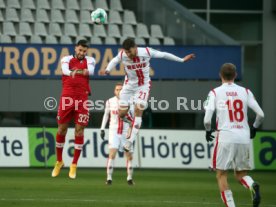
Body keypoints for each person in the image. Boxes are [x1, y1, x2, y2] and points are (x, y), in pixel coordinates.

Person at [100, 38, 195, 151]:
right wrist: (107, 69)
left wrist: (182, 60)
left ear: (135, 47)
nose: (128, 54)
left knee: (138, 110)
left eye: (129, 51)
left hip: (143, 86)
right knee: (121, 114)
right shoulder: (122, 54)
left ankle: (130, 141)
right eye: (126, 52)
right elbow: (114, 60)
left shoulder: (146, 52)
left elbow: (163, 55)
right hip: (128, 86)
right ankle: (131, 121)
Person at [204, 63, 264, 207]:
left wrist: (208, 130)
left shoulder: (215, 92)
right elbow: (261, 114)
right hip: (243, 137)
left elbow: (207, 119)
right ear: (235, 75)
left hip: (225, 136)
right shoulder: (246, 91)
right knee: (241, 175)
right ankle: (251, 185)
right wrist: (254, 127)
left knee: (221, 174)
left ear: (220, 75)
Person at [51, 39, 96, 179]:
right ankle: (59, 161)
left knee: (79, 130)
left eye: (84, 51)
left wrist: (76, 71)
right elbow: (65, 71)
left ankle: (74, 164)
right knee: (61, 129)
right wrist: (80, 71)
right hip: (67, 98)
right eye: (80, 50)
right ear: (75, 48)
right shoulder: (66, 59)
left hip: (82, 99)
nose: (82, 53)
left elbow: (92, 72)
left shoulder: (90, 60)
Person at [100, 82, 135, 185]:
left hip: (126, 132)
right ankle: (109, 178)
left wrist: (132, 129)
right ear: (114, 91)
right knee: (112, 154)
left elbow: (134, 118)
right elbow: (106, 115)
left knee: (129, 156)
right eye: (117, 89)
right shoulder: (110, 102)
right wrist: (102, 128)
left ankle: (129, 178)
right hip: (113, 131)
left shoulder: (130, 101)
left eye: (121, 89)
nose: (119, 91)